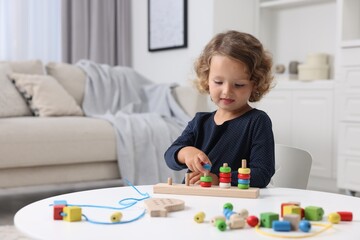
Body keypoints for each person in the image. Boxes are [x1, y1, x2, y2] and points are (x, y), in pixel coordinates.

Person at [164, 30, 275, 188]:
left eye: (238, 85)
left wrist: (221, 179)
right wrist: (186, 152)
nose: (227, 91)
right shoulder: (199, 122)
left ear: (254, 84)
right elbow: (170, 156)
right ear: (206, 79)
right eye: (218, 82)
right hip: (195, 201)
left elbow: (262, 174)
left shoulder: (257, 121)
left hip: (234, 204)